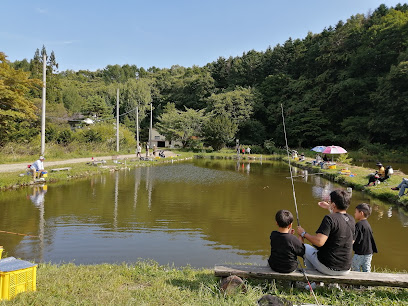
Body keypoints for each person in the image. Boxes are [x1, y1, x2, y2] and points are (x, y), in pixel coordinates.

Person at [297, 189, 355, 275]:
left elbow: (319, 242)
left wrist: (303, 233)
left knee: (304, 248)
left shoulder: (329, 219)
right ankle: (320, 282)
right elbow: (351, 240)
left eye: (330, 201)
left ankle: (315, 280)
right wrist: (329, 207)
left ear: (334, 205)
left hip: (329, 267)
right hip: (346, 269)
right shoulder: (351, 219)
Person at [352, 203, 377, 272]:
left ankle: (356, 282)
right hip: (369, 252)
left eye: (356, 212)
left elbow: (353, 239)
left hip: (360, 252)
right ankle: (367, 282)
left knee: (355, 268)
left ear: (361, 213)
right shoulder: (367, 224)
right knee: (366, 269)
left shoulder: (359, 225)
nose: (354, 214)